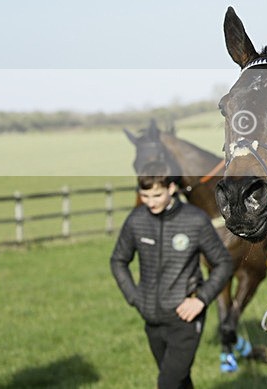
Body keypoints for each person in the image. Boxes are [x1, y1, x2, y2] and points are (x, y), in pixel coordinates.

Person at [110, 162, 234, 388]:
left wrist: (201, 299)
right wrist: (135, 297)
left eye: (157, 195)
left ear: (171, 188)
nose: (151, 202)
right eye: (145, 195)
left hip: (185, 320)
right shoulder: (136, 220)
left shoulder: (195, 220)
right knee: (180, 382)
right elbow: (118, 261)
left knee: (167, 383)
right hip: (151, 319)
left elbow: (223, 263)